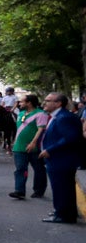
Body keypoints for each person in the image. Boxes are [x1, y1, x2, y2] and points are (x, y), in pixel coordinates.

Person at [38, 93, 79, 224]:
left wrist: (49, 150)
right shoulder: (58, 116)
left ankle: (62, 214)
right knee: (64, 187)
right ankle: (65, 212)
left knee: (61, 187)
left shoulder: (63, 117)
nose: (45, 103)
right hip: (59, 159)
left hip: (61, 159)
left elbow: (69, 138)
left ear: (58, 103)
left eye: (48, 100)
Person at [10, 93, 47, 200]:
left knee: (39, 169)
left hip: (34, 147)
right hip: (19, 147)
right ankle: (19, 191)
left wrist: (34, 143)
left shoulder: (41, 114)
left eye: (21, 101)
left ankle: (39, 190)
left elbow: (41, 129)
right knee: (20, 169)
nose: (19, 103)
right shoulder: (21, 113)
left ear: (29, 103)